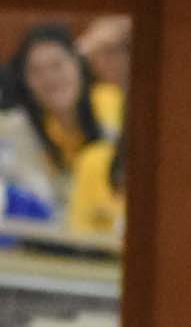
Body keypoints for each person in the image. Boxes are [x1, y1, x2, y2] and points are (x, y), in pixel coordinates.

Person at [6, 24, 125, 242]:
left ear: (77, 64)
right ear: (26, 81)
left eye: (57, 65)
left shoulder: (114, 107)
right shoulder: (16, 131)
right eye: (36, 71)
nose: (49, 78)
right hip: (48, 244)